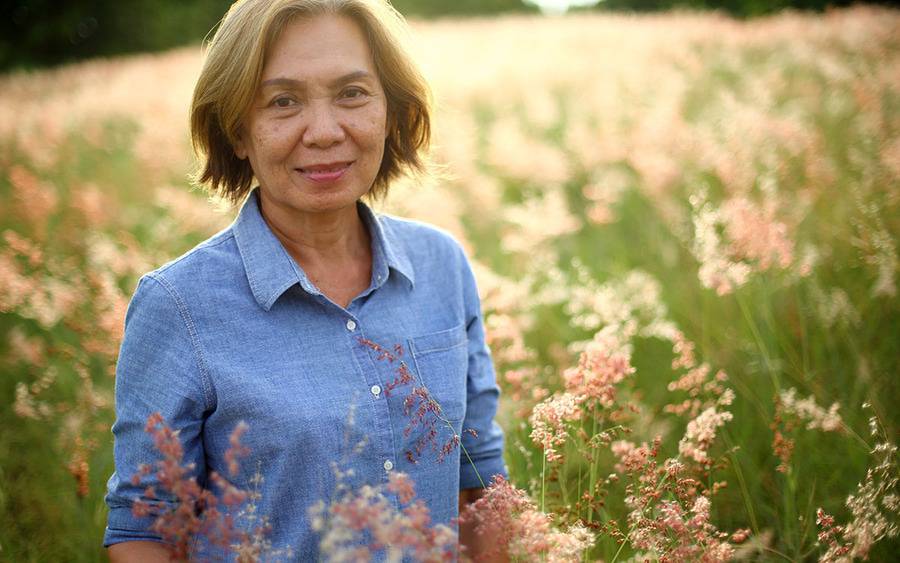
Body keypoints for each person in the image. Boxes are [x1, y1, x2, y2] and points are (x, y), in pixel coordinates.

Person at [103, 0, 507, 560]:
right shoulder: (178, 306)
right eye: (283, 101)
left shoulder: (444, 265)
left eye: (351, 94)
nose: (323, 132)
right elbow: (144, 530)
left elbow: (480, 479)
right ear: (238, 132)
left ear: (390, 111)